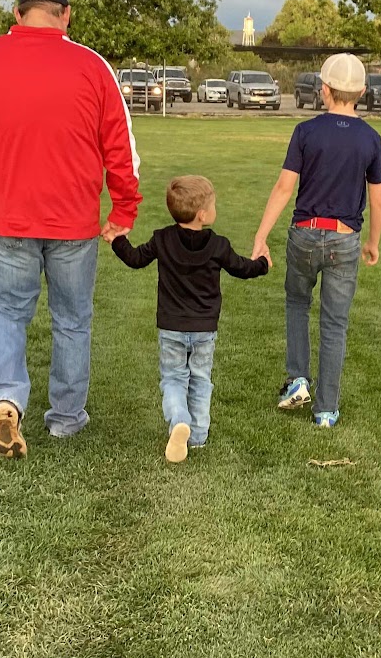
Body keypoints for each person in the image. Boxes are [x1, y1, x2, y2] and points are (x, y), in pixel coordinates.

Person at [0, 0, 140, 460]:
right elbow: (119, 146)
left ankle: (6, 397)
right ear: (67, 14)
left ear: (17, 13)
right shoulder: (92, 66)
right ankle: (65, 418)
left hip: (7, 213)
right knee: (72, 319)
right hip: (73, 218)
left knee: (6, 309)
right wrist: (124, 207)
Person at [251, 53, 381, 429]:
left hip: (305, 234)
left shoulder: (305, 132)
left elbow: (284, 187)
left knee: (297, 303)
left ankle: (297, 379)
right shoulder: (371, 139)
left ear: (324, 89)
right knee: (334, 323)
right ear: (361, 92)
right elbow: (377, 199)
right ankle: (326, 410)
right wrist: (373, 241)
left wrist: (261, 236)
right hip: (344, 239)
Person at [111, 175, 268, 462]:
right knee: (200, 380)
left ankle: (179, 421)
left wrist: (117, 240)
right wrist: (263, 264)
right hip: (204, 329)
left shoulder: (162, 239)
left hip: (171, 326)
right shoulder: (218, 245)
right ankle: (197, 436)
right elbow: (242, 268)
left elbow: (135, 259)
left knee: (173, 378)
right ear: (202, 215)